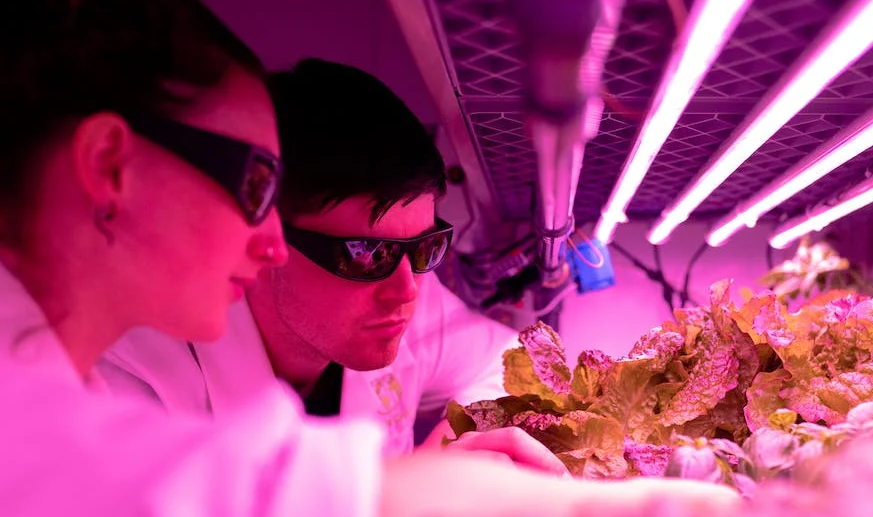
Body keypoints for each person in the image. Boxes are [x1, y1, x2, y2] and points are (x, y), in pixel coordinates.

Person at [0, 0, 735, 517]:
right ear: (109, 165)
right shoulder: (66, 417)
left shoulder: (44, 364)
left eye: (422, 251)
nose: (268, 242)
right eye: (254, 184)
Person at [98, 59, 560, 470]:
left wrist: (447, 457)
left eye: (424, 247)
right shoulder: (134, 376)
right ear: (264, 240)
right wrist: (402, 497)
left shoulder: (406, 285)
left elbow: (516, 363)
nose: (406, 290)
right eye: (366, 254)